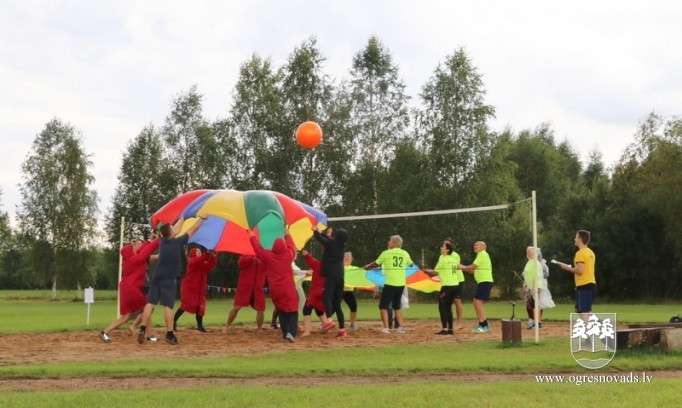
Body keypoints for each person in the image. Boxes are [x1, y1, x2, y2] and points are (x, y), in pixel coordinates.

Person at [138, 215, 206, 345]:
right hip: (168, 278)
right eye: (172, 228)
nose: (175, 229)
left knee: (150, 303)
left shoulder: (162, 241)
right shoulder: (177, 242)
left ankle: (142, 329)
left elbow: (175, 230)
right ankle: (169, 334)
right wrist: (202, 218)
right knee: (168, 306)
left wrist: (182, 218)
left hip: (157, 276)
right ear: (171, 232)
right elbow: (194, 229)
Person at [99, 234, 159, 343]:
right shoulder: (136, 258)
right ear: (132, 251)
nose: (138, 244)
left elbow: (144, 250)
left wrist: (150, 240)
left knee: (126, 316)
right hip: (132, 289)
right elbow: (147, 250)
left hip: (127, 288)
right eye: (135, 245)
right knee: (147, 308)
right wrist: (158, 239)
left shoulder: (131, 259)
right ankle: (148, 335)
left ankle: (105, 332)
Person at [248, 227, 299, 342]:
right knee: (292, 311)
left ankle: (285, 334)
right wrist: (287, 234)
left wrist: (252, 236)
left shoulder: (268, 256)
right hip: (288, 288)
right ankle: (291, 334)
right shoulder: (288, 255)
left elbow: (258, 249)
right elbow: (292, 247)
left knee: (281, 310)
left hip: (275, 289)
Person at [364, 235, 414, 333]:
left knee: (383, 306)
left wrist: (367, 266)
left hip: (390, 283)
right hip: (401, 284)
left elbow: (376, 263)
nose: (388, 243)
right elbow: (411, 264)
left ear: (395, 243)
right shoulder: (405, 253)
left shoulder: (386, 253)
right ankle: (401, 328)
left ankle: (386, 328)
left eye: (390, 241)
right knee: (397, 306)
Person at [313, 226, 349, 338]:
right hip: (340, 276)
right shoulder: (342, 245)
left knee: (326, 298)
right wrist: (321, 232)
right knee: (337, 305)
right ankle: (342, 330)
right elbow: (328, 239)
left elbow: (322, 240)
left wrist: (315, 231)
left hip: (332, 275)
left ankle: (329, 319)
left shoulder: (332, 244)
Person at [173, 245, 217, 332]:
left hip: (199, 289)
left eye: (200, 252)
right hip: (189, 288)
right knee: (186, 305)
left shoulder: (202, 263)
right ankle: (173, 321)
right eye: (197, 252)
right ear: (192, 253)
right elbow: (197, 261)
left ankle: (200, 326)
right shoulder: (191, 261)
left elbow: (208, 266)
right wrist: (207, 253)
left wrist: (213, 257)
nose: (200, 253)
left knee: (199, 307)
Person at [424, 240, 460, 335]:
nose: (441, 248)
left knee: (442, 307)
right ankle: (451, 329)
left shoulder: (443, 258)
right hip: (455, 285)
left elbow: (435, 272)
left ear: (447, 250)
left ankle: (444, 328)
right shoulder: (453, 259)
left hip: (447, 286)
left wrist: (426, 271)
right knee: (448, 307)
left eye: (443, 247)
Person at [457, 241, 494, 333]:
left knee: (476, 301)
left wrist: (461, 267)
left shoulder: (482, 254)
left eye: (477, 245)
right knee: (477, 302)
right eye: (474, 245)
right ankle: (485, 324)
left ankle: (482, 325)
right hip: (485, 281)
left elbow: (471, 267)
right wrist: (464, 268)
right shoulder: (482, 255)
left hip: (485, 281)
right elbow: (473, 270)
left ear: (483, 247)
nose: (475, 246)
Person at [224, 254, 267, 331]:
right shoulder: (246, 255)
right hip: (245, 287)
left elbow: (270, 266)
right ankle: (227, 325)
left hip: (258, 288)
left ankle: (259, 328)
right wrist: (252, 257)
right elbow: (240, 263)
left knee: (260, 309)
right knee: (236, 307)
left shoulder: (264, 257)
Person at [557, 230, 596, 314]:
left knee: (583, 311)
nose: (574, 239)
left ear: (580, 239)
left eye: (576, 237)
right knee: (584, 310)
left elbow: (580, 270)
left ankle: (593, 326)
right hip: (591, 283)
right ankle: (598, 325)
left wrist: (566, 268)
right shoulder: (591, 252)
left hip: (584, 285)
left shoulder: (580, 253)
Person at [523, 247, 555, 329]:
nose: (527, 253)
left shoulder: (536, 263)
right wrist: (525, 284)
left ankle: (536, 323)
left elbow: (536, 276)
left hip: (536, 286)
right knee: (532, 304)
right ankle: (534, 322)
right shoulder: (529, 262)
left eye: (529, 252)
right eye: (527, 252)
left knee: (536, 305)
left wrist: (534, 287)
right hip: (530, 286)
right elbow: (527, 274)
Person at [299, 249, 328, 337]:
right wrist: (307, 255)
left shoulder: (318, 265)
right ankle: (326, 325)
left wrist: (307, 254)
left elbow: (311, 261)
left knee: (306, 309)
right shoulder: (331, 268)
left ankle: (307, 331)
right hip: (323, 292)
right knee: (319, 309)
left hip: (315, 292)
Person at [444, 237, 464, 330]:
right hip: (448, 281)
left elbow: (454, 268)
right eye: (444, 244)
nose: (445, 246)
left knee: (457, 301)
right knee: (448, 302)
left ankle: (459, 323)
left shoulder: (455, 255)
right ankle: (449, 321)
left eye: (447, 244)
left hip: (457, 280)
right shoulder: (442, 256)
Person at [342, 252, 361, 330]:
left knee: (353, 307)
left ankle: (352, 325)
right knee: (332, 308)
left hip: (349, 291)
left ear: (351, 259)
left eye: (349, 256)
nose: (347, 257)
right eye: (345, 256)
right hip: (339, 290)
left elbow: (363, 273)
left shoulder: (355, 268)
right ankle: (326, 323)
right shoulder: (339, 267)